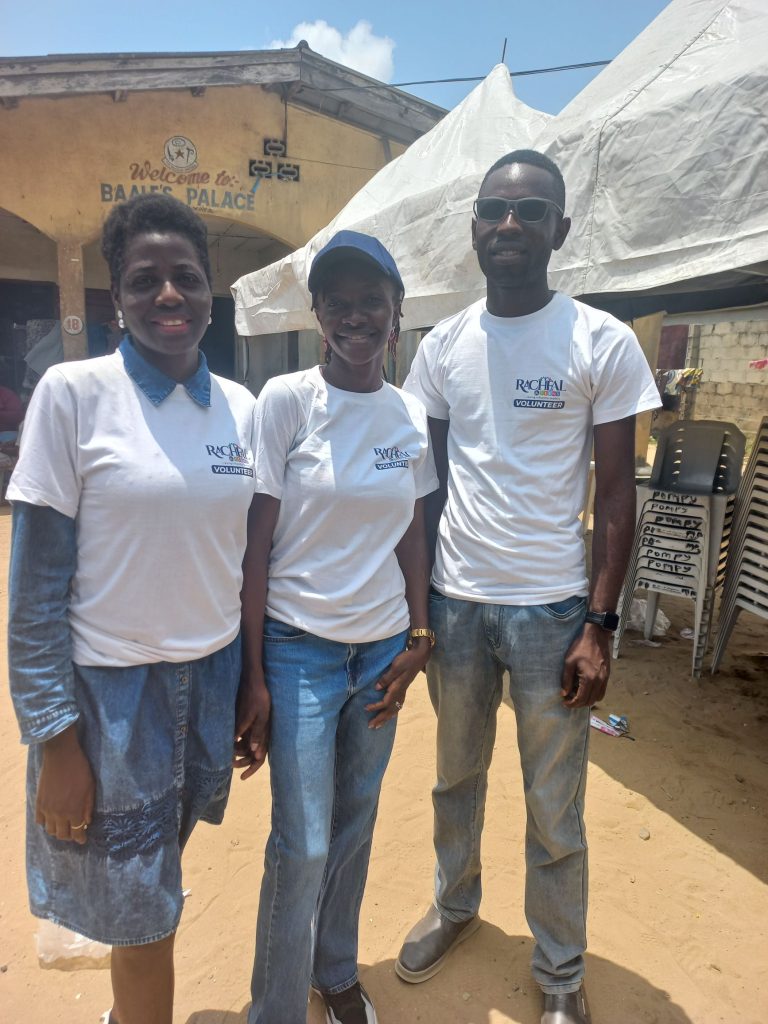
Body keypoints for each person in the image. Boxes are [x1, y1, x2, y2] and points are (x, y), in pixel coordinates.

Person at [395, 150, 661, 1024]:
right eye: (495, 210)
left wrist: (600, 624)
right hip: (458, 603)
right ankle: (455, 906)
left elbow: (616, 495)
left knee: (555, 805)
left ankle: (559, 970)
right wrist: (419, 612)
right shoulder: (442, 345)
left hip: (553, 610)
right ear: (475, 227)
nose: (510, 224)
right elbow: (423, 487)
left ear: (560, 230)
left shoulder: (599, 340)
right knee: (454, 779)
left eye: (531, 211)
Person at [7, 193, 269, 1024]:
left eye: (185, 276)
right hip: (112, 705)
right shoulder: (73, 395)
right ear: (116, 296)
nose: (168, 294)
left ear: (210, 290)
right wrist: (56, 741)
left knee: (154, 890)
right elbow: (34, 593)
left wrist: (249, 683)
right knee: (147, 916)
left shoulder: (242, 408)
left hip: (210, 684)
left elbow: (243, 565)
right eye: (144, 279)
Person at [240, 230, 437, 1024]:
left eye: (371, 303)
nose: (356, 316)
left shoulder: (408, 412)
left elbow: (412, 532)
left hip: (382, 652)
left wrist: (419, 636)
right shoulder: (286, 402)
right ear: (318, 316)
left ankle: (336, 970)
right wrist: (253, 674)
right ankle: (276, 1008)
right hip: (299, 652)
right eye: (338, 304)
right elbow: (255, 547)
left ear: (396, 315)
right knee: (305, 841)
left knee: (355, 823)